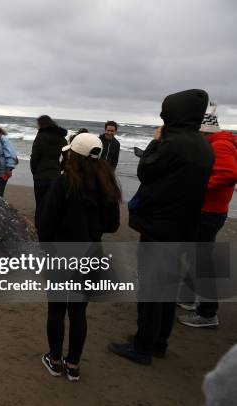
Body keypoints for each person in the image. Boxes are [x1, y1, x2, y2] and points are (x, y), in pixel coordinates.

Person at [109, 89, 214, 365]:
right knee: (167, 287)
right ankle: (158, 342)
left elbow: (147, 171)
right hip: (184, 225)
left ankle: (142, 347)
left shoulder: (173, 143)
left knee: (152, 288)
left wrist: (156, 142)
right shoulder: (203, 145)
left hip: (160, 226)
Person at [37, 132, 121, 382]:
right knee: (78, 313)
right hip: (91, 254)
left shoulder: (63, 182)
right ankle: (73, 365)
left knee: (56, 311)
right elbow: (113, 225)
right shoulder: (107, 183)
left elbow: (45, 222)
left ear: (72, 154)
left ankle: (54, 359)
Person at [177, 102, 237, 329]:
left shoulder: (220, 145)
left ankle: (208, 313)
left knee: (202, 261)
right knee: (196, 257)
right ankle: (189, 299)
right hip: (210, 210)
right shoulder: (217, 142)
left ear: (203, 132)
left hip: (209, 212)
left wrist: (197, 186)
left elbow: (229, 174)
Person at [30, 115, 68, 224]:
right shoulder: (62, 138)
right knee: (52, 205)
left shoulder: (40, 136)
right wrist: (59, 168)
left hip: (40, 176)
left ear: (41, 124)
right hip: (55, 175)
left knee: (40, 204)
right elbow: (67, 158)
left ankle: (38, 227)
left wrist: (35, 171)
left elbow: (34, 157)